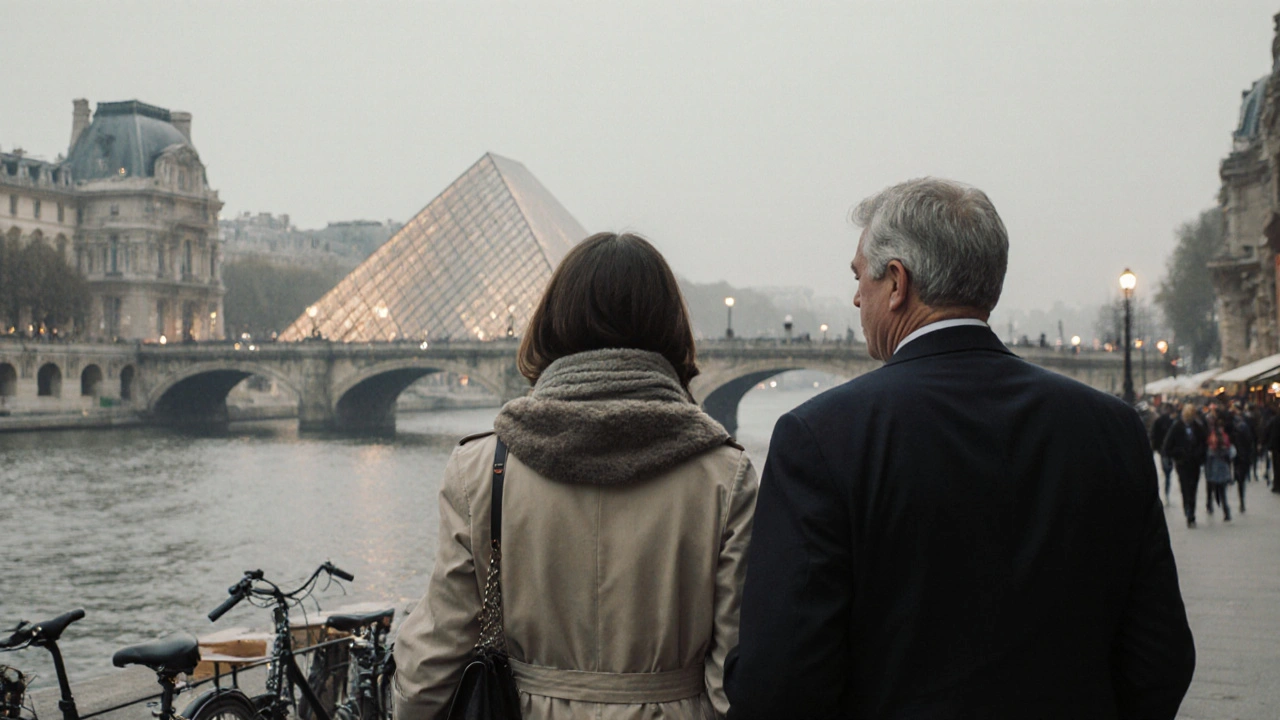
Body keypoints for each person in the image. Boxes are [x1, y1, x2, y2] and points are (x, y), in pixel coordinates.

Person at [724, 178, 1195, 718]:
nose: (856, 297)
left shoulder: (821, 437)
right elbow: (1161, 658)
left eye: (860, 278)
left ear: (897, 281)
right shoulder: (1111, 428)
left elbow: (779, 685)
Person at [393, 232, 758, 720]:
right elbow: (734, 672)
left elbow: (433, 660)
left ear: (552, 322)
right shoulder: (727, 476)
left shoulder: (482, 469)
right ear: (671, 328)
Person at [1164, 404, 1208, 528]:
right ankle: (1187, 508)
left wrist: (1200, 456)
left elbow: (1204, 443)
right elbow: (1168, 445)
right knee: (1185, 487)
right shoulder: (1176, 427)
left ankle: (1191, 513)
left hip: (1194, 463)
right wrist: (1176, 454)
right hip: (1182, 463)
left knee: (1193, 487)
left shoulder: (1198, 427)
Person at [1204, 416, 1234, 522]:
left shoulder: (1212, 437)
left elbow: (1209, 453)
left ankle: (1210, 505)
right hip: (1222, 469)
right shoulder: (1225, 437)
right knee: (1222, 492)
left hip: (1213, 469)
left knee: (1213, 489)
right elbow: (1230, 453)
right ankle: (1226, 512)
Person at [1151, 403, 1176, 505]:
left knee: (1166, 472)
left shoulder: (1160, 421)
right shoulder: (1170, 422)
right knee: (1167, 473)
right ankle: (1166, 491)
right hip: (1167, 451)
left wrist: (1156, 448)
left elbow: (1154, 435)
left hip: (1163, 451)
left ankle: (1166, 491)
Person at [1229, 410, 1255, 513]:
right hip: (1243, 457)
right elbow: (1249, 442)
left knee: (1239, 478)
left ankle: (1242, 500)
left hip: (1237, 457)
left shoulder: (1233, 429)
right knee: (1241, 480)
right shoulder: (1245, 428)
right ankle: (1242, 501)